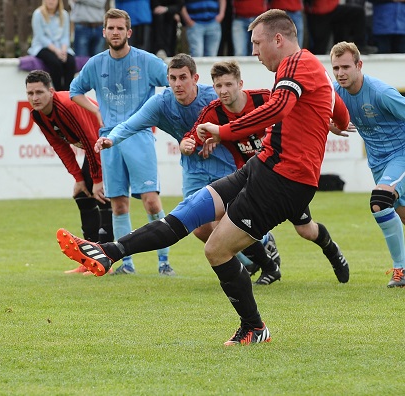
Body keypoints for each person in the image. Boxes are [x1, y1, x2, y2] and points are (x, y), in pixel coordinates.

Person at [58, 9, 351, 345]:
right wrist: (336, 121)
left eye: (257, 43)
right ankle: (108, 251)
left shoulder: (297, 62)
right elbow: (334, 105)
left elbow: (278, 108)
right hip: (263, 167)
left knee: (216, 250)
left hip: (285, 180)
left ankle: (254, 327)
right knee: (186, 215)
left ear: (278, 39)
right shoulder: (304, 67)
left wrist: (224, 131)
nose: (254, 51)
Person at [94, 56, 281, 279]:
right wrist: (111, 139)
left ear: (195, 78)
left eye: (183, 78)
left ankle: (265, 248)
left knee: (229, 221)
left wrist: (219, 137)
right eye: (172, 78)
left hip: (226, 166)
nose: (177, 84)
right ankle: (246, 263)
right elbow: (131, 124)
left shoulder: (214, 96)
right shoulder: (160, 103)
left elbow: (243, 120)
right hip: (193, 170)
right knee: (199, 227)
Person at [184, 60, 350, 285]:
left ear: (240, 83)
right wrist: (191, 142)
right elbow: (193, 136)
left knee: (305, 230)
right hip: (250, 179)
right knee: (234, 224)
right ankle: (269, 267)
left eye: (228, 84)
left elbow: (297, 110)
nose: (223, 91)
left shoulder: (265, 98)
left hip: (283, 176)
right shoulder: (213, 113)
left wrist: (325, 122)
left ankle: (331, 250)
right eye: (218, 86)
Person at [69, 8, 174, 276]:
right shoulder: (95, 63)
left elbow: (173, 84)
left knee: (151, 201)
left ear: (129, 32)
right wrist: (95, 110)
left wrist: (158, 111)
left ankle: (164, 262)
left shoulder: (147, 61)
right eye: (110, 28)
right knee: (118, 203)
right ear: (104, 32)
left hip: (138, 135)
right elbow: (75, 91)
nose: (115, 32)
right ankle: (126, 265)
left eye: (120, 28)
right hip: (109, 139)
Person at [330, 41, 405, 287]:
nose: (340, 73)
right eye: (336, 68)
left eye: (345, 67)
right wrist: (329, 125)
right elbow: (316, 115)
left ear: (359, 65)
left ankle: (400, 270)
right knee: (397, 214)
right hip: (378, 163)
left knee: (379, 202)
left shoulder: (381, 93)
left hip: (401, 154)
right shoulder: (334, 94)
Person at [25, 70, 113, 274]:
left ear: (51, 91)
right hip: (96, 148)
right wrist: (79, 178)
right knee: (83, 194)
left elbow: (92, 141)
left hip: (109, 145)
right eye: (30, 93)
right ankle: (88, 260)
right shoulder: (38, 114)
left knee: (101, 195)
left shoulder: (67, 105)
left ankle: (106, 261)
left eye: (39, 92)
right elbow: (60, 147)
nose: (35, 98)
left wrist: (97, 179)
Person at [28, 0, 76, 91]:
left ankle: (68, 93)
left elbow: (65, 36)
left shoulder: (64, 15)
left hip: (61, 47)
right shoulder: (38, 14)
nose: (51, 1)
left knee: (70, 62)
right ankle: (59, 93)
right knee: (55, 63)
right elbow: (40, 37)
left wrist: (64, 50)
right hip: (42, 47)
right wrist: (56, 51)